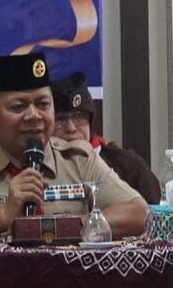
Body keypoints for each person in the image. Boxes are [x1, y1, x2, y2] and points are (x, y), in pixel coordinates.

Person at [0, 54, 147, 242]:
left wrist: (58, 228)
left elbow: (139, 214)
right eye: (18, 106)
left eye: (43, 104)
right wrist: (4, 215)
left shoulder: (78, 159)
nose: (34, 115)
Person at [51, 71, 162, 204]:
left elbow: (152, 213)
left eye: (79, 116)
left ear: (91, 122)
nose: (71, 128)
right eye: (60, 119)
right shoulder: (40, 169)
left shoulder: (128, 166)